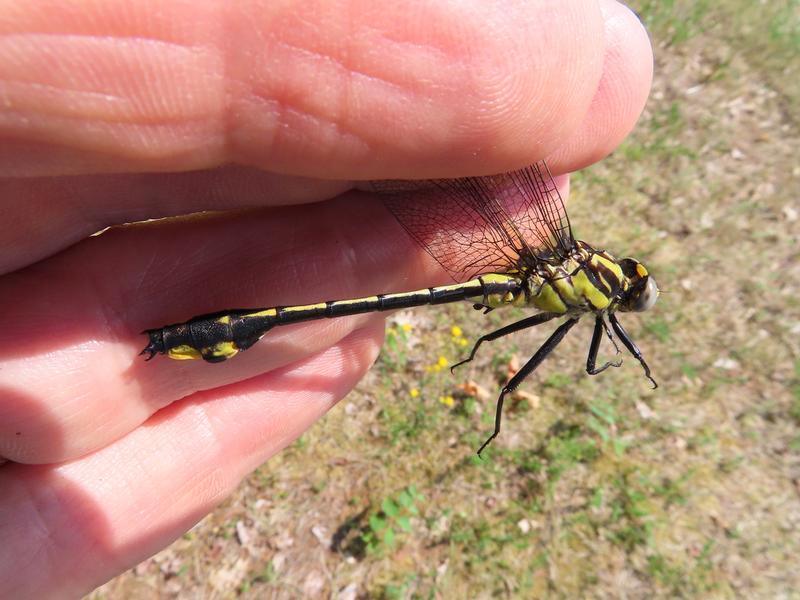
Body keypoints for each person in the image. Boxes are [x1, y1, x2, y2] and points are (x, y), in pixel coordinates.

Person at [0, 1, 653, 595]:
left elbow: (571, 346)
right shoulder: (584, 295)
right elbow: (594, 354)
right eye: (628, 289)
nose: (622, 299)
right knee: (303, 313)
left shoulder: (583, 291)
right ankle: (203, 333)